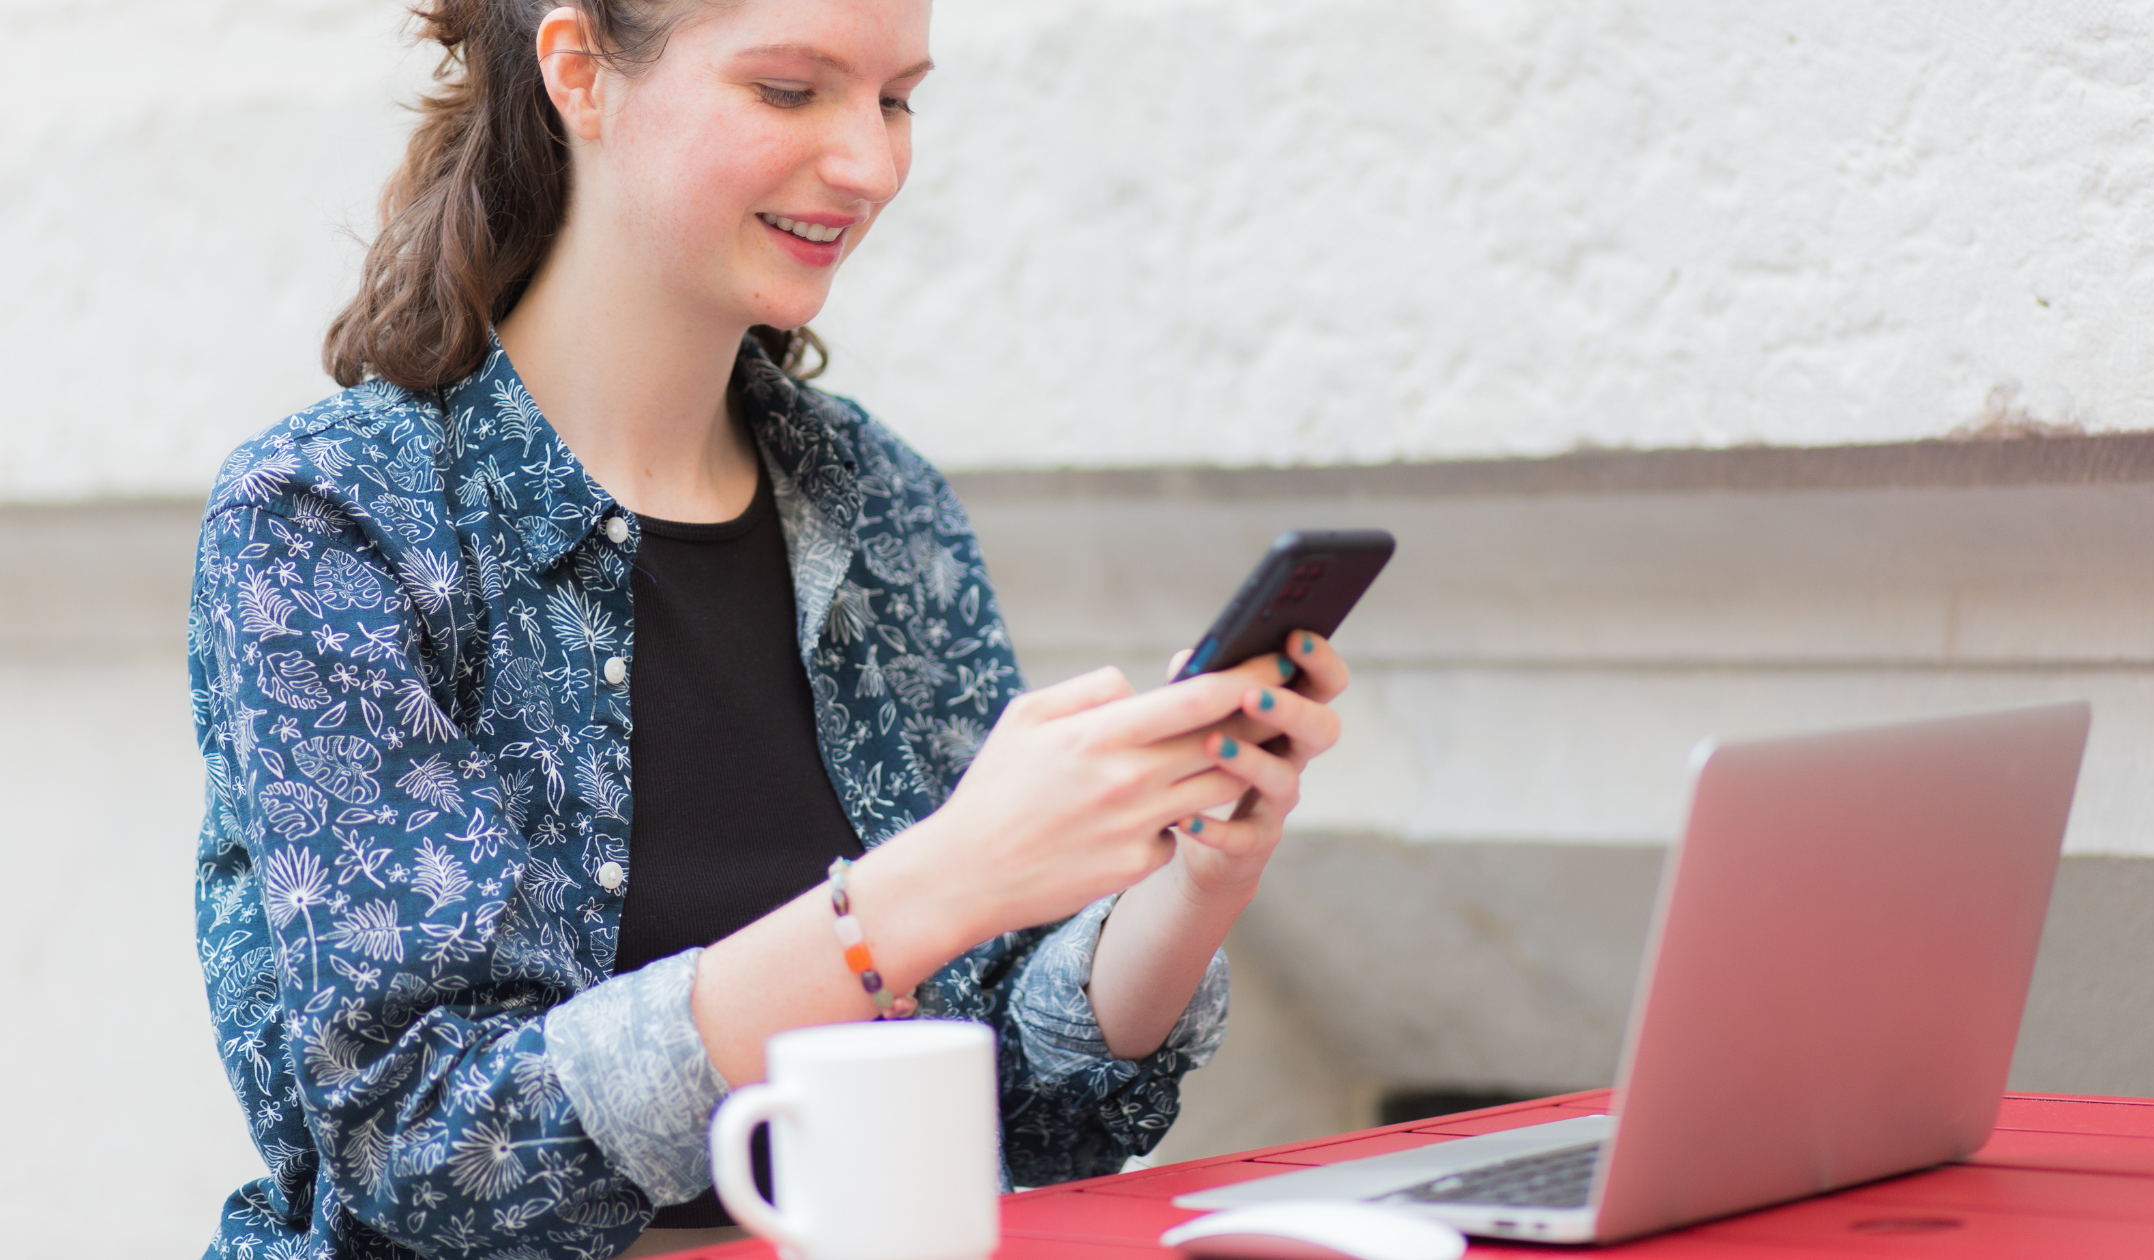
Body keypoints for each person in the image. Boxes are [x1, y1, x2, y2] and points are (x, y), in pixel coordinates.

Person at [189, 1, 1350, 1257]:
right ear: (579, 70)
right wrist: (933, 884)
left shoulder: (875, 499)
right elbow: (433, 1145)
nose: (870, 164)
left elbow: (1017, 1109)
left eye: (896, 98)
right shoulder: (332, 520)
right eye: (791, 91)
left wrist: (1183, 885)